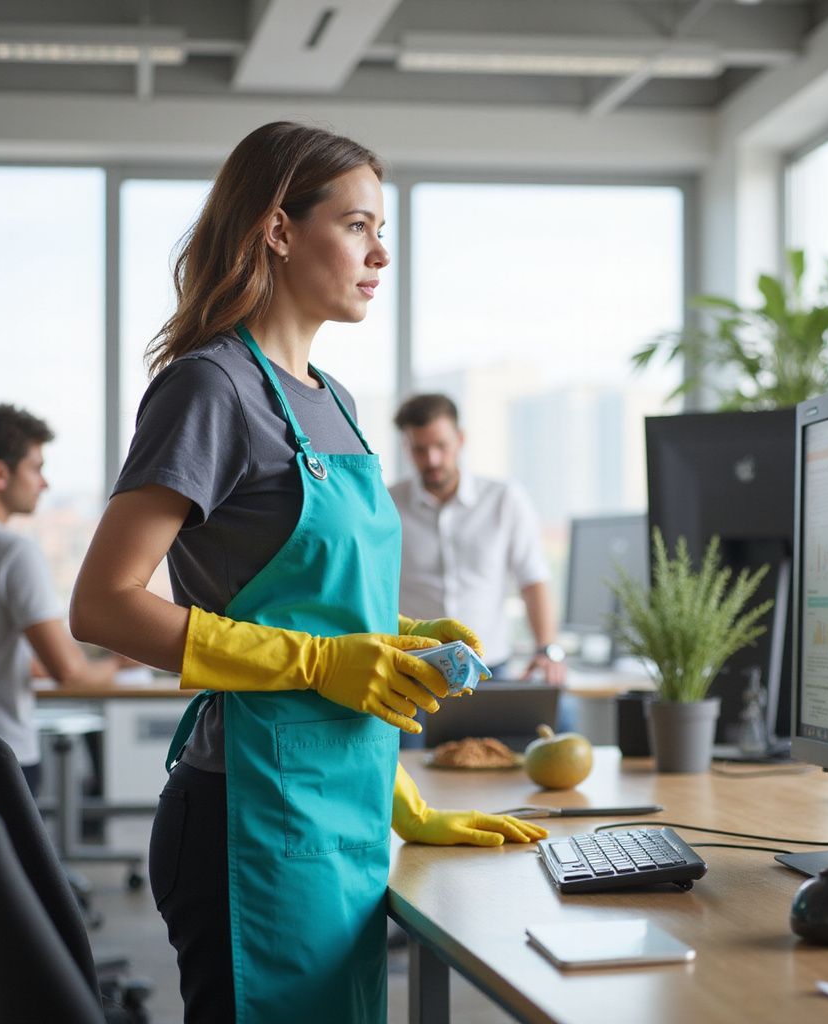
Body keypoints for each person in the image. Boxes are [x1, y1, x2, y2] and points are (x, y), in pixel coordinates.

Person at [69, 122, 546, 1024]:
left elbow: (324, 616)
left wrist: (400, 686)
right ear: (278, 230)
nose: (382, 252)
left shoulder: (337, 402)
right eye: (359, 225)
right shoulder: (210, 388)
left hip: (344, 808)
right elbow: (101, 605)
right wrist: (324, 666)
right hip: (248, 816)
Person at [0, 404, 126, 795]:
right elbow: (71, 673)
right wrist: (118, 663)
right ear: (0, 474)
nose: (44, 484)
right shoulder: (13, 552)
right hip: (3, 757)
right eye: (36, 468)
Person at [390, 393, 568, 684]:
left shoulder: (504, 498)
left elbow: (532, 579)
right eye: (420, 450)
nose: (432, 459)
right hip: (413, 667)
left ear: (460, 439)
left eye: (441, 446)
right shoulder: (388, 505)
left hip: (489, 669)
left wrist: (546, 650)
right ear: (406, 448)